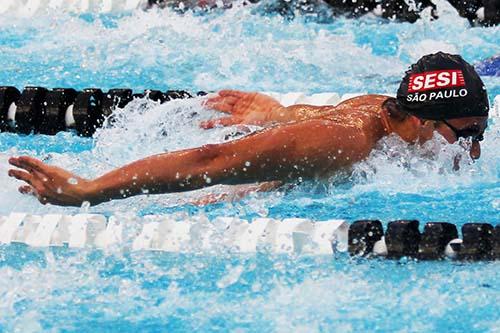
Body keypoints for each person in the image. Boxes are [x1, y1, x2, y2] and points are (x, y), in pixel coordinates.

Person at [7, 52, 489, 207]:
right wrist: (89, 189)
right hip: (202, 178)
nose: (474, 149)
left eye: (482, 132)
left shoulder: (389, 117)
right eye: (466, 134)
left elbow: (318, 117)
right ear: (423, 120)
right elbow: (211, 162)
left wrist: (281, 112)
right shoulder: (346, 142)